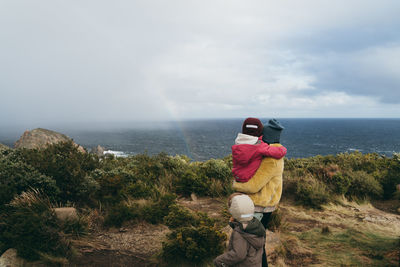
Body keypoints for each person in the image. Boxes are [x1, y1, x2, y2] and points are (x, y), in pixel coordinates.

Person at [233, 119, 286, 267]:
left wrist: (236, 184)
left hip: (260, 206)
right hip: (264, 205)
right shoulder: (275, 152)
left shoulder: (271, 159)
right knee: (256, 244)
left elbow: (253, 186)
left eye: (263, 135)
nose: (259, 138)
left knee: (255, 246)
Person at [213, 193, 266, 267]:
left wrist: (219, 260)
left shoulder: (239, 233)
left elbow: (238, 255)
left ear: (234, 211)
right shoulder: (256, 226)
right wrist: (233, 224)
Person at [232, 118, 287, 183]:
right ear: (259, 131)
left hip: (237, 177)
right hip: (248, 179)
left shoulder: (237, 144)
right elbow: (278, 153)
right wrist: (283, 148)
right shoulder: (259, 146)